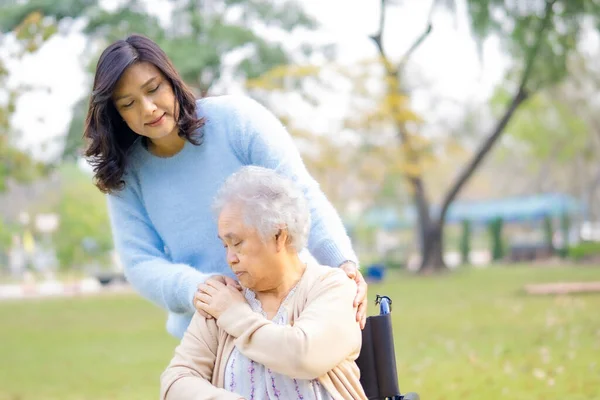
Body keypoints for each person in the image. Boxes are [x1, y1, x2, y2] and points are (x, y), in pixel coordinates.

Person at [83, 34, 367, 339]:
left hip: (296, 312)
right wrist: (200, 289)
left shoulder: (237, 120)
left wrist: (342, 263)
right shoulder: (126, 173)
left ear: (172, 80)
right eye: (129, 104)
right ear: (117, 114)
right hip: (211, 330)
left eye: (154, 89)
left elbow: (301, 193)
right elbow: (140, 263)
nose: (149, 108)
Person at [160, 166, 367, 400]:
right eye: (225, 246)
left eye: (237, 243)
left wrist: (234, 315)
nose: (230, 258)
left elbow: (303, 355)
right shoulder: (221, 298)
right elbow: (176, 381)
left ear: (279, 236)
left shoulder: (333, 287)